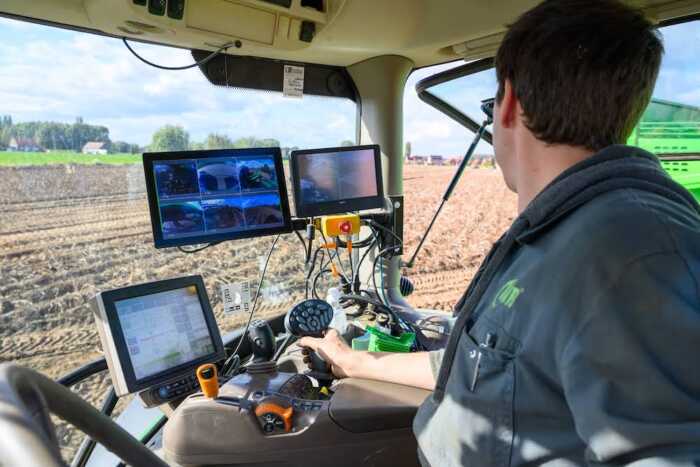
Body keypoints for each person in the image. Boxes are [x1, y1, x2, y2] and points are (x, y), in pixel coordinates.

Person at [299, 1, 700, 465]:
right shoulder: (564, 231)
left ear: (507, 103)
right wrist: (359, 362)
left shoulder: (628, 252)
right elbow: (483, 366)